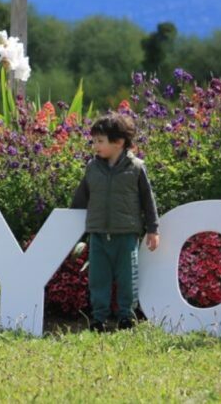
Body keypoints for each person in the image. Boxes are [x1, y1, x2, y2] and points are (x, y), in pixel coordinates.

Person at [71, 113, 160, 332]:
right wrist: (69, 224)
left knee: (127, 279)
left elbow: (148, 200)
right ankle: (98, 319)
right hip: (98, 234)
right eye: (94, 141)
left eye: (100, 141)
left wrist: (153, 229)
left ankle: (126, 317)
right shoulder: (92, 167)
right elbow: (80, 198)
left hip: (126, 235)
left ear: (118, 142)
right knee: (98, 279)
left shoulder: (136, 167)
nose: (95, 146)